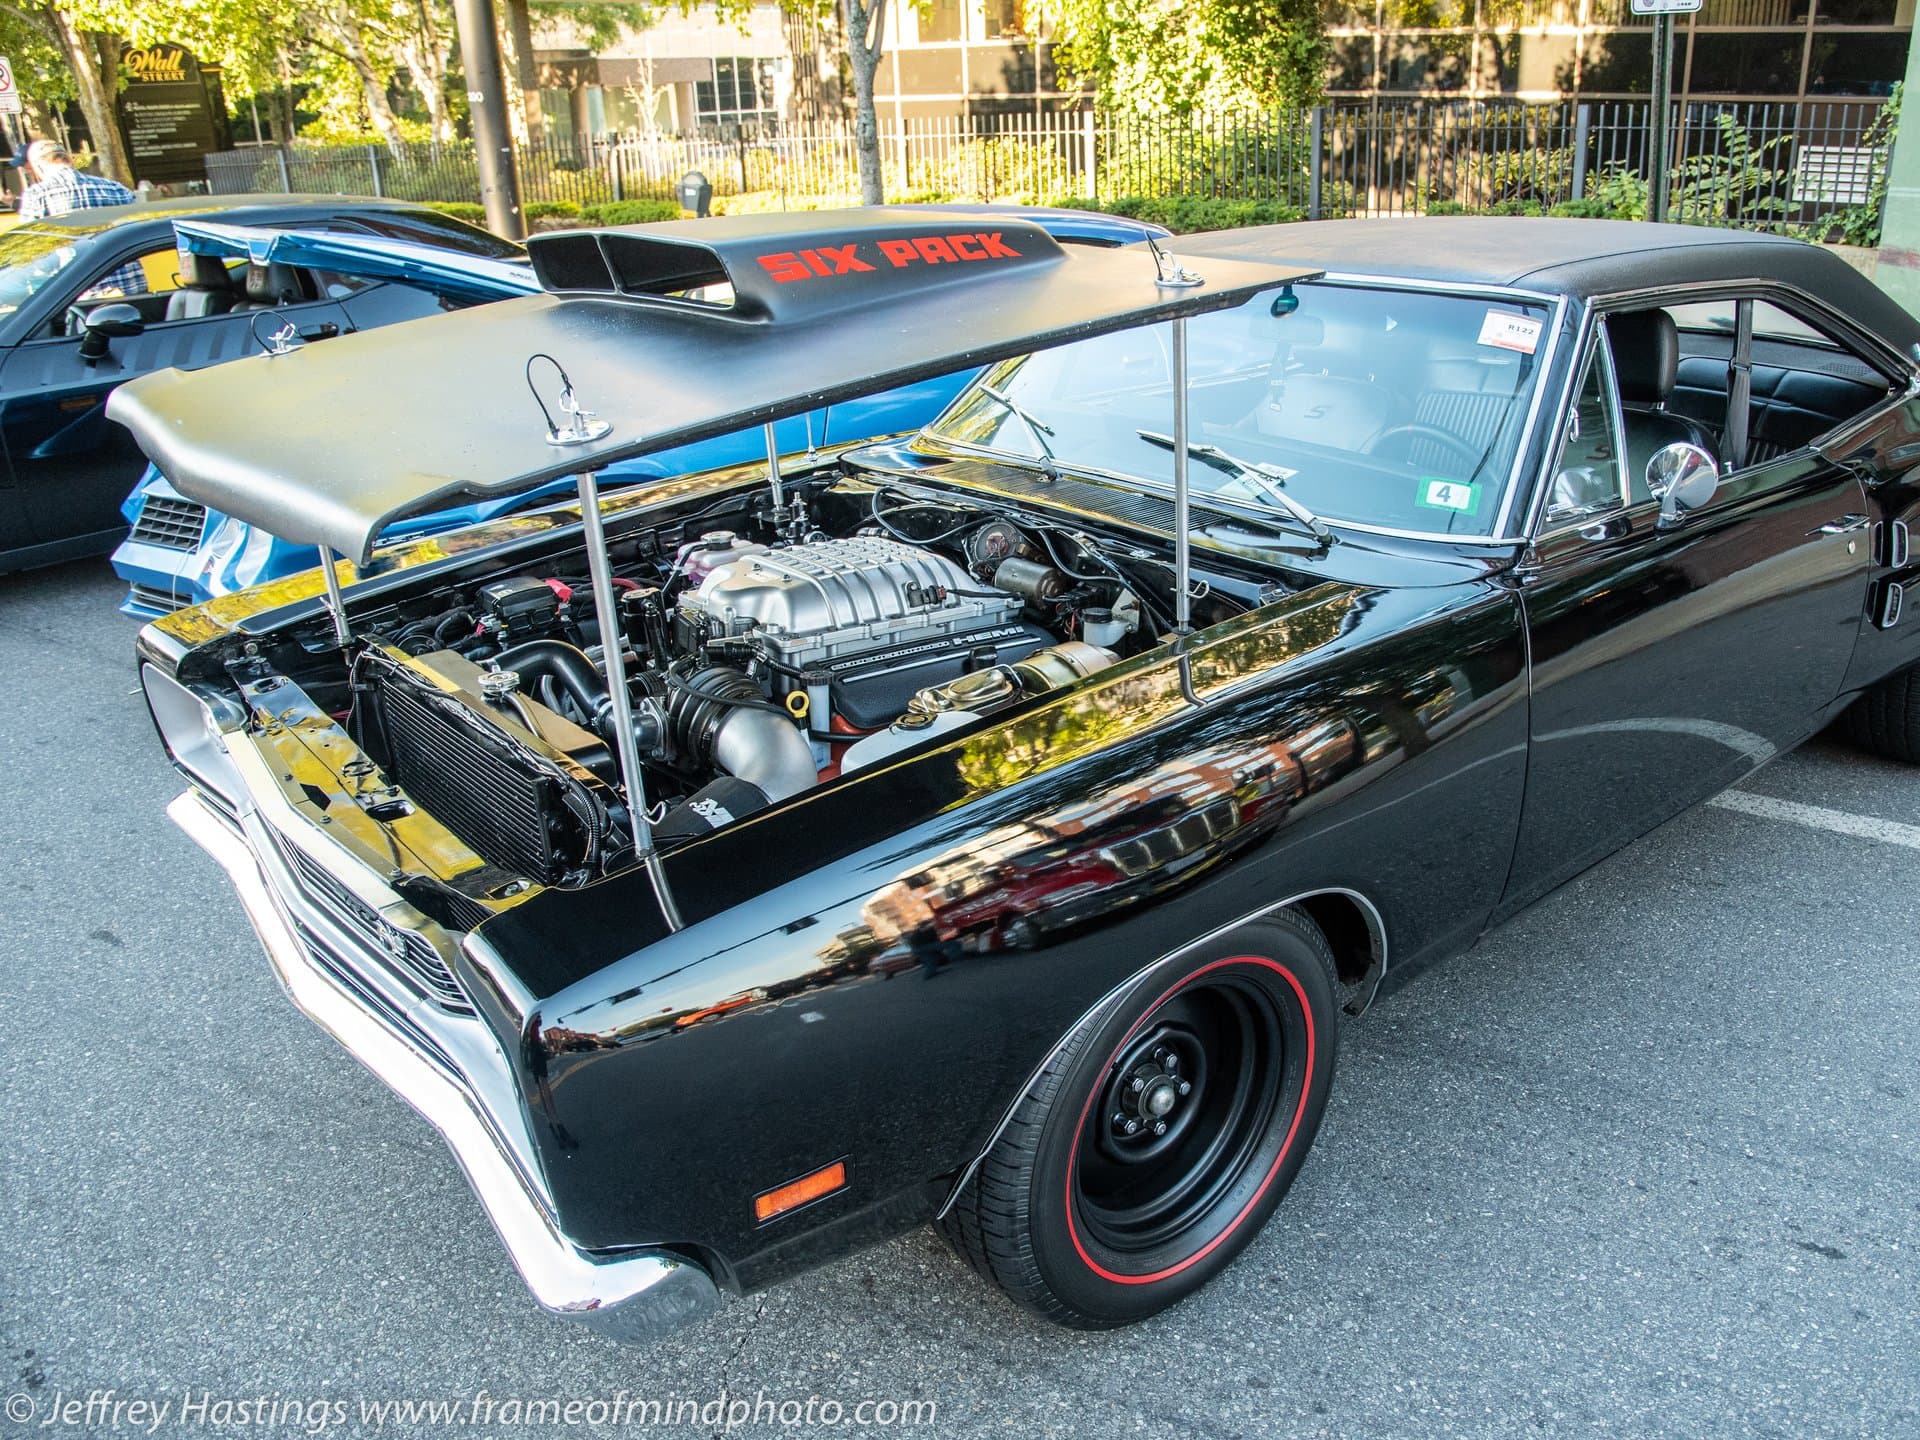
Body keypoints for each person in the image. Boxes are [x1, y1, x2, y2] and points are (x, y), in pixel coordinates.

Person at [15, 139, 146, 297]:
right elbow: (138, 233)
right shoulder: (116, 188)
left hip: (81, 294)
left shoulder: (36, 196)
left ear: (38, 167)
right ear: (69, 160)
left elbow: (30, 252)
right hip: (132, 288)